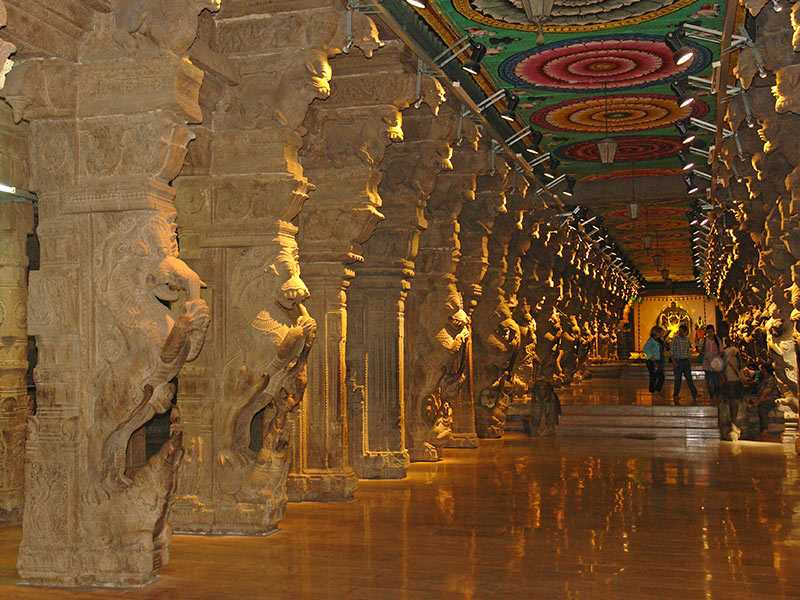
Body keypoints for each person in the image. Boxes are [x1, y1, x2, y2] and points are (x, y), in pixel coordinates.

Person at [718, 342, 747, 441]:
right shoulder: (735, 352)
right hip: (735, 379)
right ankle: (734, 422)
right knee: (736, 401)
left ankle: (730, 422)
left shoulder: (723, 353)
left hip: (727, 380)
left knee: (729, 401)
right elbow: (739, 365)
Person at [749, 363, 781, 435]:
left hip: (771, 398)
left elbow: (766, 392)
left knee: (763, 408)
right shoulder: (764, 379)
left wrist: (757, 403)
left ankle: (764, 430)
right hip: (762, 396)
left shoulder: (771, 379)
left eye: (762, 369)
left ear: (765, 370)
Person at [670, 324, 697, 405]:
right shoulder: (675, 339)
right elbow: (671, 351)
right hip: (678, 361)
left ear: (685, 332)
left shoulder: (686, 339)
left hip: (686, 361)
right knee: (678, 379)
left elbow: (688, 350)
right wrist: (674, 362)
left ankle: (695, 394)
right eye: (680, 330)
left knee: (689, 379)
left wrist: (689, 359)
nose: (681, 332)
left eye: (682, 331)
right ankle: (675, 395)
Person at [698, 324, 722, 399]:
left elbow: (721, 350)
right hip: (707, 363)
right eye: (708, 332)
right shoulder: (704, 340)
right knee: (709, 380)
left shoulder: (717, 340)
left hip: (715, 362)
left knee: (715, 380)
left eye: (711, 332)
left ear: (714, 332)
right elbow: (699, 348)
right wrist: (704, 353)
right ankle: (711, 394)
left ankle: (716, 393)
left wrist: (717, 355)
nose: (710, 334)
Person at [643, 326, 665, 400]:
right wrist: (650, 355)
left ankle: (656, 391)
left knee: (661, 377)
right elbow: (645, 348)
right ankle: (654, 393)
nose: (661, 334)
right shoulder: (651, 340)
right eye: (660, 333)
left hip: (658, 360)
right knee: (654, 377)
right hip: (652, 361)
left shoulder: (658, 341)